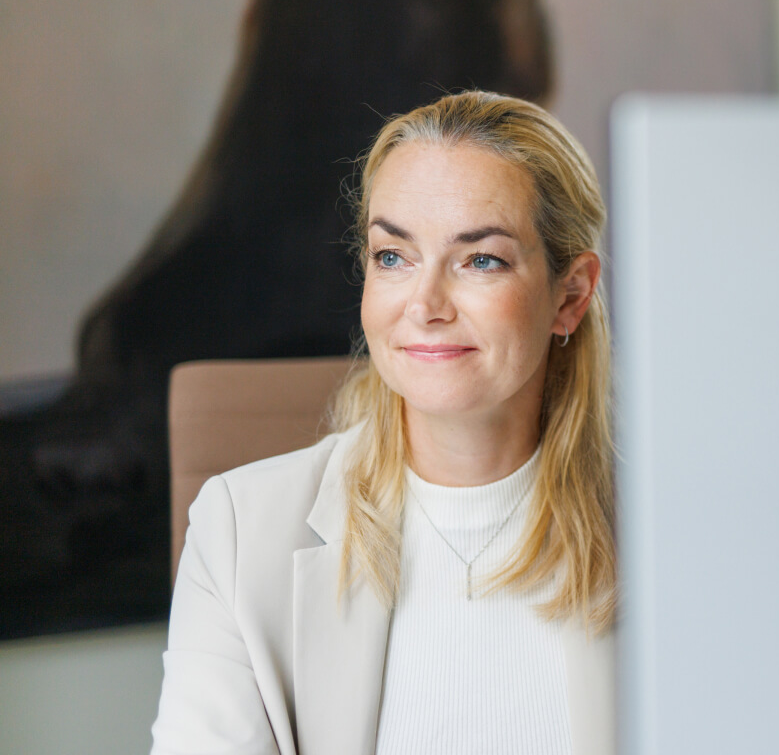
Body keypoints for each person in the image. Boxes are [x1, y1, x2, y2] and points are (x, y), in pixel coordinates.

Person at [150, 91, 617, 755]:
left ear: (569, 297)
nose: (424, 305)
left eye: (480, 259)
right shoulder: (237, 533)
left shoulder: (681, 537)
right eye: (392, 257)